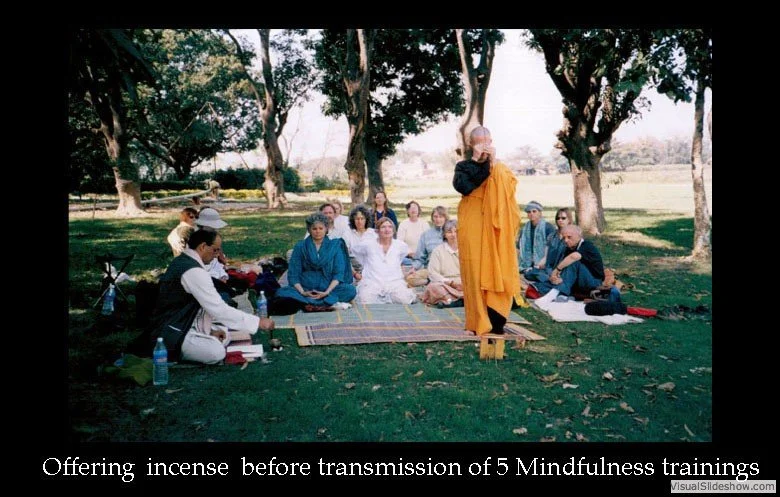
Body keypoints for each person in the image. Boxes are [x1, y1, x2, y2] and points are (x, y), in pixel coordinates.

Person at [149, 228, 275, 364]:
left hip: (183, 322)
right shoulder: (193, 270)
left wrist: (208, 332)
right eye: (215, 250)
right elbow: (218, 308)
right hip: (171, 329)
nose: (217, 255)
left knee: (223, 334)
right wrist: (258, 322)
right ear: (203, 246)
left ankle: (204, 336)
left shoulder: (185, 261)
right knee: (216, 352)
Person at [453, 126, 523, 336]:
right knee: (474, 272)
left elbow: (509, 197)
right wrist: (478, 161)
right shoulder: (464, 166)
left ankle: (497, 320)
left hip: (495, 228)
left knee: (498, 267)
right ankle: (477, 321)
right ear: (471, 144)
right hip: (472, 225)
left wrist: (493, 164)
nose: (485, 145)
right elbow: (464, 187)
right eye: (479, 142)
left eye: (487, 141)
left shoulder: (500, 170)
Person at [274, 213, 357, 311]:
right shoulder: (300, 246)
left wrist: (326, 292)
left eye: (321, 228)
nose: (318, 231)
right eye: (314, 229)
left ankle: (310, 305)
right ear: (309, 230)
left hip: (329, 288)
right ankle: (325, 304)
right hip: (306, 288)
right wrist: (302, 292)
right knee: (281, 292)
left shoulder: (335, 246)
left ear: (326, 229)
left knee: (350, 290)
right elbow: (293, 274)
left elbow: (338, 274)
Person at [532, 224, 607, 305]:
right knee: (545, 281)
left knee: (574, 261)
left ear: (579, 236)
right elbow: (565, 269)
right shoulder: (568, 249)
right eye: (564, 238)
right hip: (577, 283)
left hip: (593, 282)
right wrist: (557, 277)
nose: (566, 240)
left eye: (569, 237)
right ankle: (558, 292)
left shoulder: (587, 245)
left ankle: (559, 293)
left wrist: (557, 270)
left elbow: (574, 257)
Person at [352, 217, 417, 304]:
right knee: (365, 299)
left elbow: (400, 259)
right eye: (383, 227)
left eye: (390, 227)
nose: (387, 229)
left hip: (394, 282)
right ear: (377, 231)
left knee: (404, 299)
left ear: (393, 230)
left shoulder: (400, 246)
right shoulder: (368, 245)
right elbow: (356, 252)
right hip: (372, 282)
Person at [421, 220, 464, 307]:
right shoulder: (438, 251)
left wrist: (464, 284)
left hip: (464, 284)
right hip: (446, 284)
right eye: (449, 232)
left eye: (456, 231)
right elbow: (433, 273)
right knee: (433, 287)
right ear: (444, 234)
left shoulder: (467, 249)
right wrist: (451, 283)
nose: (453, 234)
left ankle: (451, 301)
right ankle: (454, 300)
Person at [517, 200, 556, 280]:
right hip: (527, 261)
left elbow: (552, 248)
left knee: (540, 274)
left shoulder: (548, 227)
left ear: (540, 213)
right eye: (529, 212)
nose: (531, 214)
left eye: (534, 211)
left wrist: (543, 261)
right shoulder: (524, 229)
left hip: (543, 261)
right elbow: (519, 247)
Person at [343, 204, 377, 281]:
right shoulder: (347, 234)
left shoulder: (373, 233)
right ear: (353, 220)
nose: (360, 221)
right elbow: (344, 257)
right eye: (357, 219)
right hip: (352, 268)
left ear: (366, 219)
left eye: (362, 218)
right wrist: (355, 274)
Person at [397, 200, 429, 265]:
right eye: (411, 208)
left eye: (415, 208)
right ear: (407, 211)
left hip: (423, 256)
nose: (413, 210)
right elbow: (400, 242)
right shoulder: (403, 224)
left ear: (419, 210)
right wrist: (410, 253)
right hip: (408, 257)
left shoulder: (424, 224)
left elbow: (428, 241)